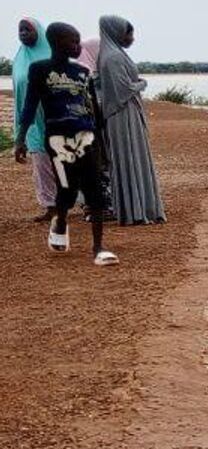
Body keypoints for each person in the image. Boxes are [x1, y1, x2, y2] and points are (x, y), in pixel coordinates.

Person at [16, 22, 117, 266]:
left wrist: (102, 141)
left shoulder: (83, 72)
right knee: (67, 191)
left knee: (94, 191)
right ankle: (60, 220)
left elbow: (94, 108)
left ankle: (98, 247)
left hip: (87, 137)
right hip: (58, 141)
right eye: (73, 41)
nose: (78, 45)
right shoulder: (40, 70)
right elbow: (30, 105)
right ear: (57, 42)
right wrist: (20, 139)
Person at [94, 15, 161, 224]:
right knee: (129, 157)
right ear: (115, 32)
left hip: (125, 113)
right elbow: (122, 90)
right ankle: (136, 210)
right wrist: (142, 84)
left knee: (132, 158)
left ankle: (138, 207)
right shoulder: (113, 57)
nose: (131, 38)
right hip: (122, 115)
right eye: (128, 33)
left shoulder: (111, 54)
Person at [13, 18, 56, 221]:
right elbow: (19, 95)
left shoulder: (52, 56)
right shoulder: (19, 59)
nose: (22, 33)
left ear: (39, 32)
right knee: (41, 161)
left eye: (27, 30)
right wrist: (19, 135)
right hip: (31, 119)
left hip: (55, 117)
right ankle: (50, 205)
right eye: (20, 30)